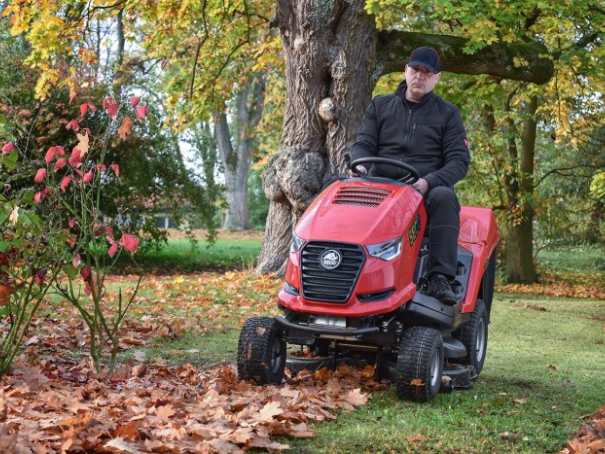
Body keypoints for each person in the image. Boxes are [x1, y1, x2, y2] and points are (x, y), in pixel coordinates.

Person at [349, 46, 470, 305]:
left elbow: (459, 162)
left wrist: (429, 181)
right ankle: (337, 266)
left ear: (437, 78)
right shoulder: (380, 105)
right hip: (381, 187)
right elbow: (363, 144)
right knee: (334, 189)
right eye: (416, 70)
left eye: (427, 72)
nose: (420, 76)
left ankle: (440, 277)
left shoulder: (448, 113)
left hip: (422, 191)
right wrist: (358, 166)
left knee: (445, 197)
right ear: (406, 70)